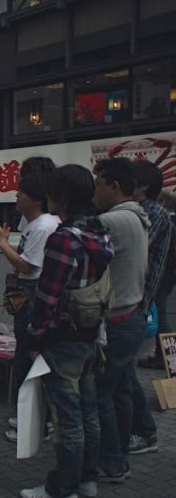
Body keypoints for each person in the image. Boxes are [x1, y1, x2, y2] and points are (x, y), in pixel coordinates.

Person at [20, 165, 112, 498]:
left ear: (62, 196)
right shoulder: (99, 231)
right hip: (91, 334)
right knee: (90, 413)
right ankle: (88, 481)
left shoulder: (64, 238)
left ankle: (63, 488)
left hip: (63, 338)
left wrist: (35, 335)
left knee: (68, 419)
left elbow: (48, 295)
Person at [0, 173, 59, 443]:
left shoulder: (43, 226)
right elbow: (25, 259)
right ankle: (35, 421)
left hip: (34, 304)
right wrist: (6, 243)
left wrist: (2, 244)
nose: (16, 194)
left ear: (37, 198)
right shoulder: (33, 223)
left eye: (22, 190)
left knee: (28, 362)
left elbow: (28, 267)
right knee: (25, 360)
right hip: (28, 302)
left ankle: (34, 425)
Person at [93, 157, 149, 483]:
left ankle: (113, 463)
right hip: (133, 314)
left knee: (103, 393)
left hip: (116, 319)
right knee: (122, 390)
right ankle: (122, 456)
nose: (95, 190)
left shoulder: (111, 222)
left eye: (98, 183)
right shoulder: (138, 216)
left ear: (114, 186)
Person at [128, 161, 171, 454]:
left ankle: (145, 432)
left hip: (137, 304)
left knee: (123, 373)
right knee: (122, 372)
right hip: (134, 303)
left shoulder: (154, 215)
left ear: (142, 186)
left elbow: (133, 249)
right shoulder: (140, 212)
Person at [139, 188, 176, 370]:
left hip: (163, 274)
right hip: (168, 274)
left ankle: (168, 359)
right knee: (160, 312)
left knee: (160, 314)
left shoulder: (164, 220)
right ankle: (167, 359)